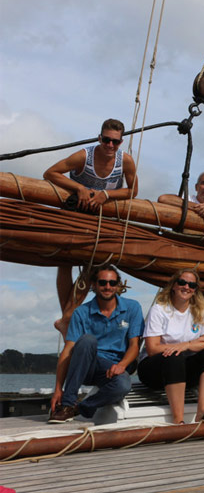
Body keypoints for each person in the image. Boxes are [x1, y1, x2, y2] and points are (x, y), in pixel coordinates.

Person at [44, 118, 139, 335]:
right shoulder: (83, 156)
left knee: (93, 266)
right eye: (106, 140)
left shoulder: (125, 161)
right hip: (74, 214)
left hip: (101, 220)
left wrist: (106, 195)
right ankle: (67, 318)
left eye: (115, 142)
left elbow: (132, 191)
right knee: (65, 261)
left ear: (120, 142)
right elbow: (50, 173)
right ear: (99, 138)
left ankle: (67, 319)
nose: (110, 146)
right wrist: (79, 188)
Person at [48, 264, 144, 423]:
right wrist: (58, 389)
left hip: (114, 367)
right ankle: (66, 404)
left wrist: (122, 364)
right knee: (87, 340)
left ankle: (80, 408)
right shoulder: (81, 312)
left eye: (112, 283)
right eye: (102, 282)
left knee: (123, 386)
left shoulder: (132, 308)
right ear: (93, 284)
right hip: (87, 365)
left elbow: (134, 346)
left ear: (118, 285)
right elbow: (68, 350)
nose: (108, 287)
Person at [137, 269, 204, 425]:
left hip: (183, 370)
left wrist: (186, 345)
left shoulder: (203, 309)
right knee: (174, 356)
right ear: (174, 285)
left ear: (196, 289)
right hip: (155, 371)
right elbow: (152, 348)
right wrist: (183, 348)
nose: (186, 287)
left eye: (192, 285)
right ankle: (178, 420)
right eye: (182, 282)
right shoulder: (160, 310)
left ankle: (203, 411)